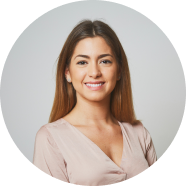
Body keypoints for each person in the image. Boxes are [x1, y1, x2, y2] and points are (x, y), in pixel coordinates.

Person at [32, 19, 157, 185]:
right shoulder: (50, 138)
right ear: (67, 72)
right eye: (82, 62)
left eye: (104, 61)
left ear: (119, 71)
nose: (94, 72)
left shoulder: (139, 133)